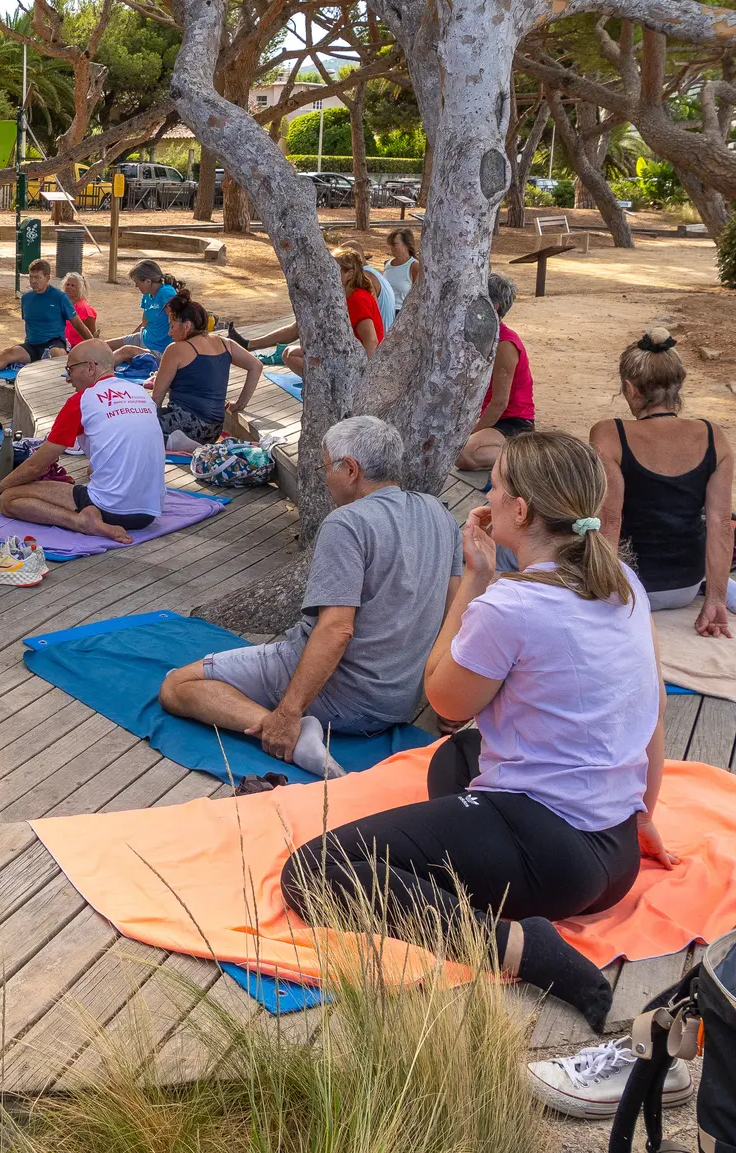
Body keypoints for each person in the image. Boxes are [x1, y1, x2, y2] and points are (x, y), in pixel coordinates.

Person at [278, 431, 671, 1035]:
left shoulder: (509, 606)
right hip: (615, 855)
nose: (486, 490)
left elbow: (442, 699)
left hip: (554, 860)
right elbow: (654, 710)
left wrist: (474, 579)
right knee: (455, 760)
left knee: (312, 872)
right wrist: (643, 814)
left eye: (498, 483)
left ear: (520, 511)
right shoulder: (622, 581)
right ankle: (490, 872)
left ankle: (519, 947)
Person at [159, 416, 460, 776]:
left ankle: (295, 734)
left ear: (351, 469)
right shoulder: (438, 512)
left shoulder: (348, 522)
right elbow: (455, 610)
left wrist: (289, 713)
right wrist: (449, 703)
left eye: (326, 467)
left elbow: (336, 630)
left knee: (178, 684)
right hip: (400, 701)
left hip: (343, 696)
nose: (325, 478)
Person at [590, 328, 736, 636]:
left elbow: (609, 520)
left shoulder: (609, 434)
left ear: (631, 388)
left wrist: (604, 597)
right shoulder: (714, 435)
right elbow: (720, 524)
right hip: (686, 585)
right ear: (678, 386)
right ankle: (724, 591)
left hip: (630, 587)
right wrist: (716, 601)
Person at [0, 340, 164, 544]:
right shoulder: (140, 393)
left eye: (70, 370)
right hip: (149, 512)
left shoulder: (82, 400)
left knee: (10, 499)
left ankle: (81, 522)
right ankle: (90, 513)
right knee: (91, 471)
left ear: (90, 367)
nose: (67, 378)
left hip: (110, 508)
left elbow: (36, 466)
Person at [146, 289, 261, 449]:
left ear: (186, 326)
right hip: (214, 430)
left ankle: (170, 441)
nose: (169, 332)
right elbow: (256, 366)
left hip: (186, 424)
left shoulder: (176, 349)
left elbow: (157, 398)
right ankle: (174, 440)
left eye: (172, 326)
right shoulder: (225, 343)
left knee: (133, 425)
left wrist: (147, 422)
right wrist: (240, 404)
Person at [456, 273, 534, 472]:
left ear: (494, 307)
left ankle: (524, 455)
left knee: (463, 453)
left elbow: (500, 402)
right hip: (493, 419)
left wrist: (472, 432)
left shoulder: (505, 344)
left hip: (513, 422)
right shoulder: (486, 337)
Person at [274, 250, 386, 376]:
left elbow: (371, 341)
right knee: (290, 353)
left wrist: (365, 375)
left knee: (292, 355)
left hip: (355, 362)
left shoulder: (357, 299)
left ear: (350, 274)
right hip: (344, 355)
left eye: (334, 270)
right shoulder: (345, 296)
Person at [0, 260, 94, 372]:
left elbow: (78, 325)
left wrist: (94, 345)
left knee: (57, 354)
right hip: (32, 345)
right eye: (31, 277)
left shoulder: (60, 297)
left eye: (37, 277)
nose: (33, 281)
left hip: (54, 342)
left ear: (47, 278)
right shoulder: (26, 298)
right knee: (9, 352)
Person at [107, 260, 182, 360]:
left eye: (137, 282)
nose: (136, 286)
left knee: (125, 352)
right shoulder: (147, 294)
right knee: (102, 346)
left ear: (148, 281)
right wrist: (130, 337)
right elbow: (144, 322)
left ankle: (100, 370)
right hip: (143, 338)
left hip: (158, 349)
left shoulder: (166, 293)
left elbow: (177, 321)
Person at [61, 272, 101, 346]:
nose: (69, 287)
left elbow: (92, 337)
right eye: (67, 284)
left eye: (73, 286)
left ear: (80, 289)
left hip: (79, 349)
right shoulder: (62, 304)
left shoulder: (84, 309)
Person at [382, 228, 421, 301]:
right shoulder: (387, 263)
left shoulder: (414, 266)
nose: (391, 247)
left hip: (401, 310)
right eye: (390, 244)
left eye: (395, 244)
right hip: (385, 310)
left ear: (406, 245)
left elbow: (418, 295)